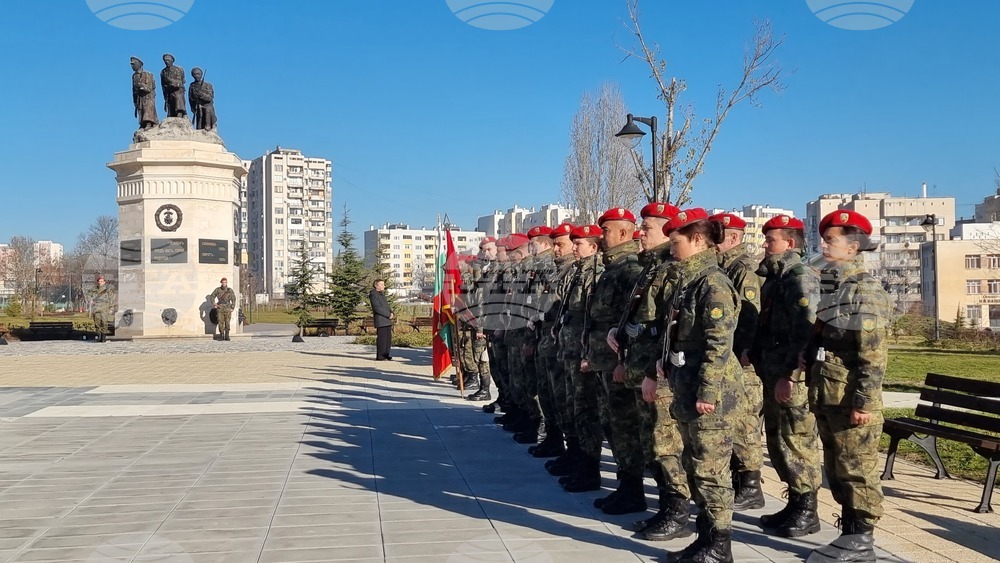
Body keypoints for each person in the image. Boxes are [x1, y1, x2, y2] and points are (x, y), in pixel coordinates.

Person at [655, 207, 742, 562]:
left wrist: (707, 392)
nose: (671, 247)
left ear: (697, 240)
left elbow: (718, 343)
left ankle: (719, 546)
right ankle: (707, 538)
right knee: (697, 465)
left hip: (711, 394)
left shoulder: (712, 282)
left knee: (711, 470)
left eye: (676, 241)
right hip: (687, 386)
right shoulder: (690, 280)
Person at [806, 210, 891, 563]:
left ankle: (862, 540)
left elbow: (873, 356)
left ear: (854, 247)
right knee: (838, 467)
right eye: (824, 239)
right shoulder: (834, 287)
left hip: (850, 399)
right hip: (829, 395)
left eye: (832, 240)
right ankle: (849, 534)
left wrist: (864, 403)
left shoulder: (864, 292)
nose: (824, 244)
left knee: (857, 469)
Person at [615, 202, 693, 542]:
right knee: (652, 441)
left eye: (646, 228)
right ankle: (664, 507)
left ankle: (677, 511)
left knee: (666, 443)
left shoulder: (671, 269)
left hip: (658, 372)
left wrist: (652, 372)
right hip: (641, 367)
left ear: (666, 229)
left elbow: (666, 329)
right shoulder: (652, 268)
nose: (639, 233)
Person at [751, 215, 823, 538]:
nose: (766, 245)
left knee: (797, 439)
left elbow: (806, 333)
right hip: (772, 371)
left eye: (771, 240)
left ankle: (807, 509)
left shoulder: (800, 278)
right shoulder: (775, 279)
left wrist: (791, 376)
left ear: (790, 243)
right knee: (778, 440)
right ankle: (795, 502)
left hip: (790, 376)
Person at [577, 208, 645, 516]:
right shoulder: (612, 269)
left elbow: (630, 324)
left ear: (623, 234)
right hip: (603, 362)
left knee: (624, 426)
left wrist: (621, 361)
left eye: (606, 232)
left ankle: (633, 490)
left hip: (617, 365)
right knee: (612, 424)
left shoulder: (630, 270)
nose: (601, 236)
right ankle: (625, 487)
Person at [710, 212, 765, 512]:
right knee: (733, 421)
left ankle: (751, 485)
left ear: (732, 238)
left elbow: (750, 314)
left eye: (717, 234)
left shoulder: (744, 268)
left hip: (742, 361)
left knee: (745, 423)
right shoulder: (725, 267)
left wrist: (743, 350)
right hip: (729, 356)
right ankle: (738, 479)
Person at [548, 225, 603, 482]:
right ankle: (576, 456)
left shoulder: (596, 273)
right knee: (570, 405)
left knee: (585, 409)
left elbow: (595, 318)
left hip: (582, 353)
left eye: (578, 244)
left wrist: (588, 354)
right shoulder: (577, 272)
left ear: (592, 247)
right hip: (568, 351)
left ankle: (590, 467)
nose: (573, 248)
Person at [130, 56, 158, 130]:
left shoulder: (147, 74)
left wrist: (141, 86)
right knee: (141, 110)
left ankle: (149, 123)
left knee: (147, 109)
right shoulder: (134, 76)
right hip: (140, 97)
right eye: (131, 65)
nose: (132, 66)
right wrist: (135, 99)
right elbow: (134, 89)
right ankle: (143, 123)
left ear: (139, 64)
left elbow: (149, 87)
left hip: (147, 97)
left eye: (134, 64)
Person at [369, 279, 393, 360]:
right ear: (376, 285)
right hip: (381, 320)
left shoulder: (382, 295)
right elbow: (377, 308)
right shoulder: (373, 295)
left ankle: (386, 354)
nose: (384, 286)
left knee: (387, 339)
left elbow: (387, 306)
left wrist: (391, 312)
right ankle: (380, 356)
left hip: (387, 320)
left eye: (384, 284)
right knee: (382, 339)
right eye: (381, 284)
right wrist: (388, 314)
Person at [89, 275, 116, 343]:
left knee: (104, 322)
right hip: (96, 307)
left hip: (105, 307)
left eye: (102, 281)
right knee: (97, 322)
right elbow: (89, 295)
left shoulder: (108, 289)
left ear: (104, 282)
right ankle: (99, 336)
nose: (100, 282)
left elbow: (111, 298)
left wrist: (111, 307)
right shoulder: (94, 289)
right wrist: (91, 300)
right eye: (99, 281)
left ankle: (103, 337)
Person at [160, 53, 187, 118]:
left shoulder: (177, 69)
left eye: (168, 60)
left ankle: (180, 112)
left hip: (177, 90)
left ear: (172, 61)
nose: (167, 62)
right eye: (165, 60)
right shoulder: (163, 72)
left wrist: (170, 81)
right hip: (169, 91)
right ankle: (172, 113)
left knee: (177, 96)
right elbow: (163, 84)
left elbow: (181, 81)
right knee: (170, 101)